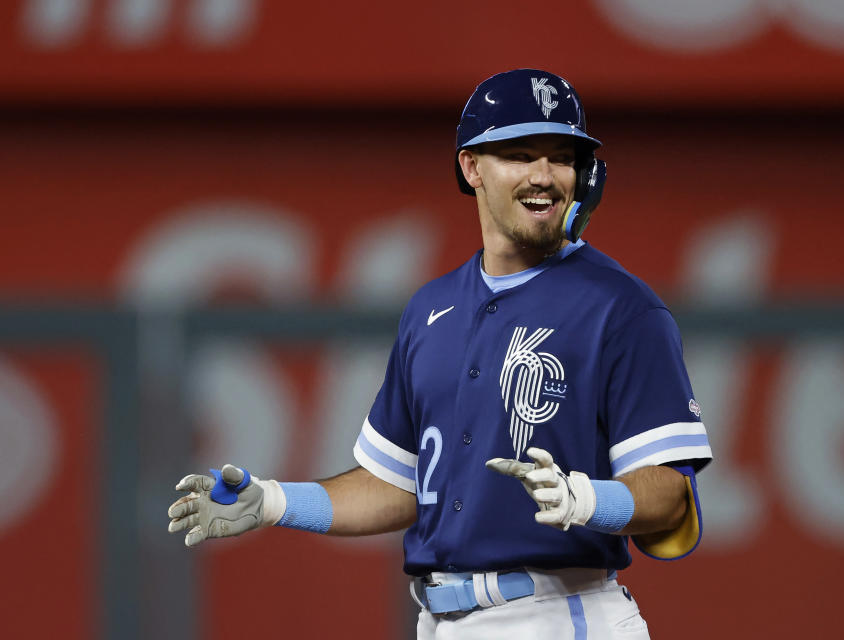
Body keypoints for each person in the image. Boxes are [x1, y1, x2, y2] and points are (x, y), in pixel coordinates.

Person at [168, 69, 713, 639]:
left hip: (557, 615)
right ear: (471, 166)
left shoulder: (622, 308)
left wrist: (585, 498)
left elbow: (669, 493)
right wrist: (275, 501)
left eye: (562, 156)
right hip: (440, 621)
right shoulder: (433, 307)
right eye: (520, 153)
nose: (544, 175)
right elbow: (396, 485)